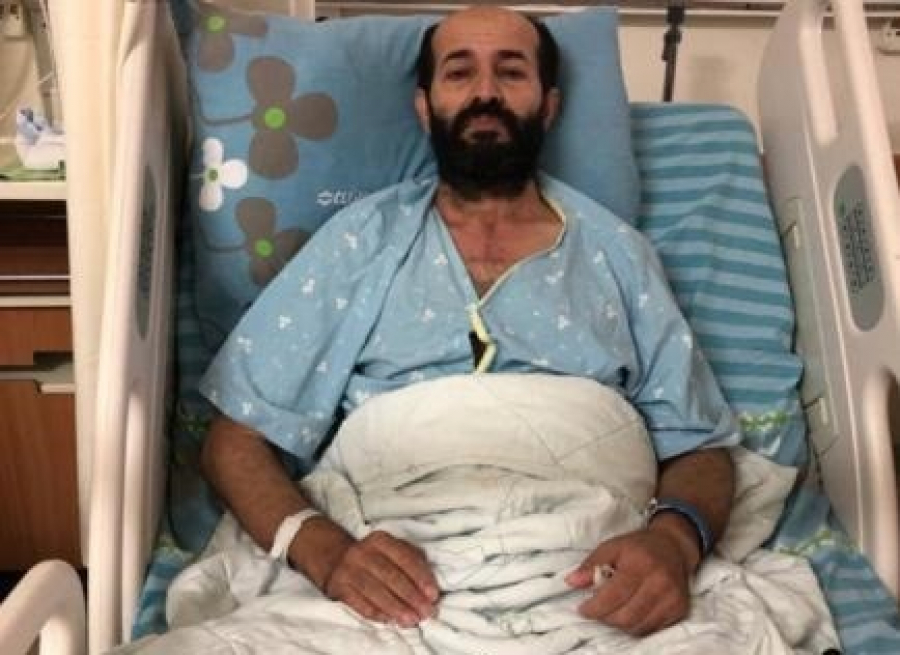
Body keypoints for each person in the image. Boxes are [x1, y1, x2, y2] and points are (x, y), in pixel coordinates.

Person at [199, 5, 738, 640]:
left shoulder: (618, 254)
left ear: (549, 105)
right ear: (425, 107)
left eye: (511, 72)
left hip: (588, 573)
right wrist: (327, 552)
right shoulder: (359, 242)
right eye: (459, 73)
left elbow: (700, 447)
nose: (486, 92)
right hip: (388, 576)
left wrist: (673, 543)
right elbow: (234, 441)